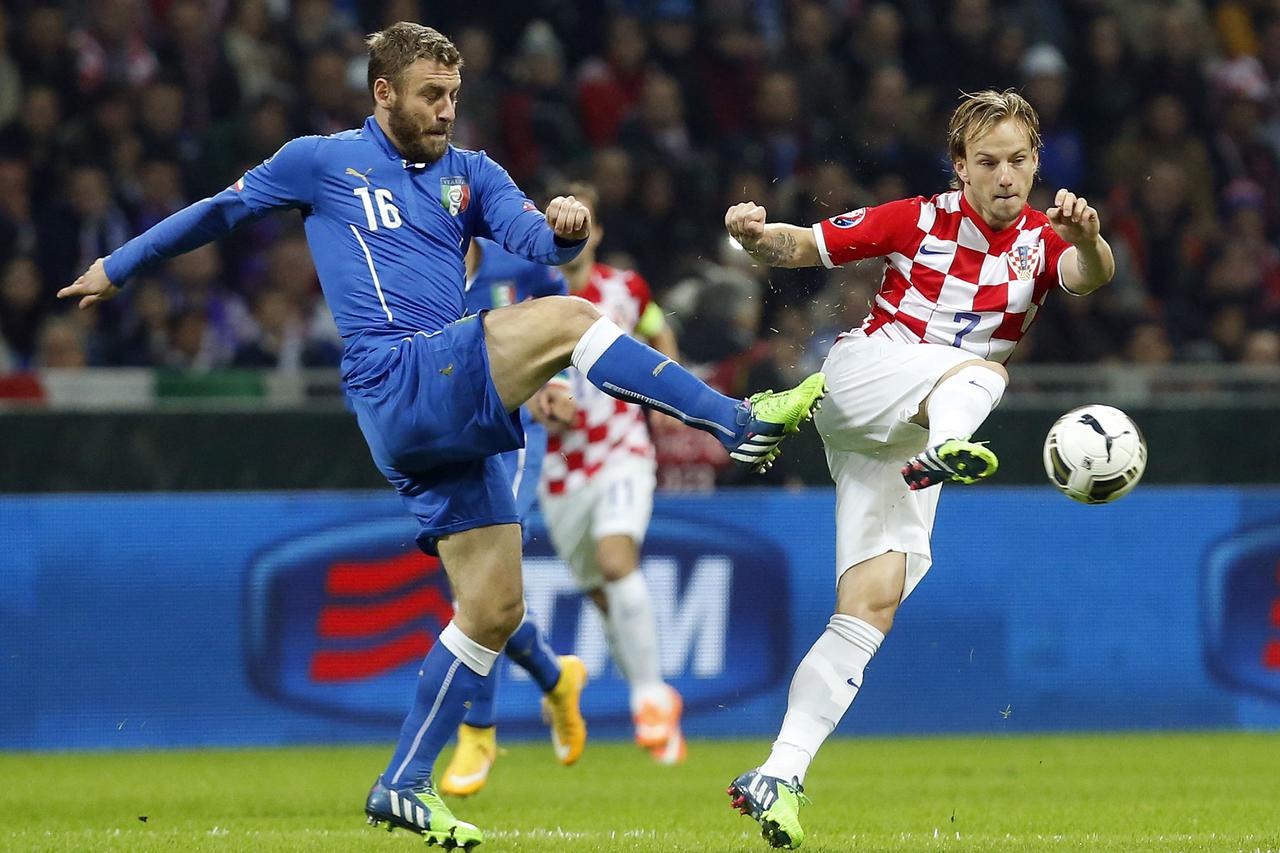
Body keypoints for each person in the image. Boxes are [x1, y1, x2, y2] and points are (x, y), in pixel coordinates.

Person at [58, 23, 827, 849]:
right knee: (571, 318)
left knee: (494, 609)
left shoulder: (474, 174)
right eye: (431, 94)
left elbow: (537, 241)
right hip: (396, 372)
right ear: (382, 91)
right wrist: (119, 265)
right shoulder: (320, 162)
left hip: (440, 411)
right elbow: (218, 211)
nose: (445, 110)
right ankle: (734, 421)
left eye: (454, 95)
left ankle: (404, 782)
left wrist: (566, 227)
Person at [721, 89, 1115, 849]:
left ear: (1036, 163)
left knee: (870, 605)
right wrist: (752, 235)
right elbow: (801, 245)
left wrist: (1091, 236)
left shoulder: (1045, 237)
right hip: (868, 377)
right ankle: (820, 400)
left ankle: (779, 770)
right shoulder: (919, 217)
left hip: (902, 437)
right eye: (989, 162)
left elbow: (1089, 276)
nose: (1006, 176)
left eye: (1019, 161)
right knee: (984, 376)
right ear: (960, 166)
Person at [539, 183, 687, 765]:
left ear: (595, 233)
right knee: (605, 599)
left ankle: (649, 698)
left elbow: (656, 333)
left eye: (584, 225)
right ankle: (655, 700)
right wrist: (537, 405)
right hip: (558, 468)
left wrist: (672, 392)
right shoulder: (528, 296)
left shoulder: (626, 290)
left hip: (623, 448)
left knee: (615, 559)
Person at [437, 235, 587, 798]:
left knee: (478, 592)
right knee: (484, 597)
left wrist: (558, 379)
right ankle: (557, 676)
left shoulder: (519, 266)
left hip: (512, 440)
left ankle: (478, 733)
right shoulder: (415, 274)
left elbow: (557, 303)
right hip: (449, 445)